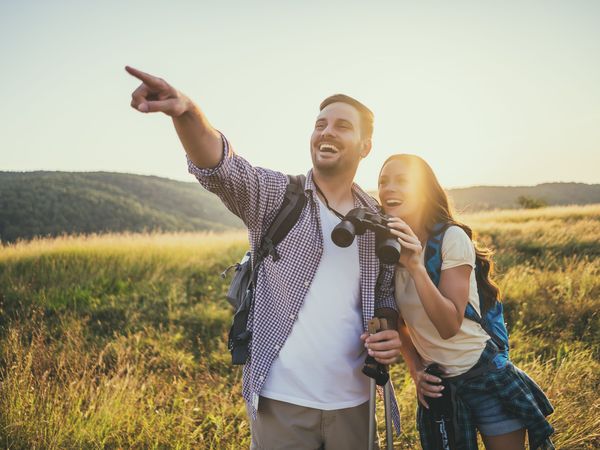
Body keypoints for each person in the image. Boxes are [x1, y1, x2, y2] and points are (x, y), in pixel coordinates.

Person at [125, 66, 402, 449]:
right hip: (281, 404)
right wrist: (186, 112)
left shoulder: (378, 221)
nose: (326, 132)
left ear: (364, 147)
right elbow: (221, 168)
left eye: (342, 126)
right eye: (320, 123)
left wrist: (390, 330)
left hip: (355, 403)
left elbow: (386, 296)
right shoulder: (276, 197)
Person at [365, 153, 554, 449]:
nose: (389, 188)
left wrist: (415, 265)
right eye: (383, 182)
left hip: (483, 375)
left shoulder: (451, 238)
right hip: (440, 386)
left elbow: (449, 325)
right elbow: (400, 323)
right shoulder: (386, 248)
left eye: (402, 181)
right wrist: (415, 369)